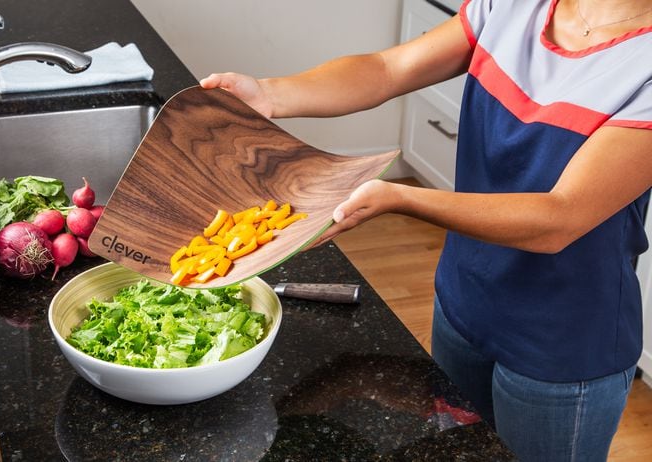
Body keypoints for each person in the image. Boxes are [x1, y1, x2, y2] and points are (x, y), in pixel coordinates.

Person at [200, 0, 652, 460]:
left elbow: (560, 218)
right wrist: (270, 94)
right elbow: (386, 68)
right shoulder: (514, 5)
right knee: (458, 449)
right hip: (462, 303)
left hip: (563, 341)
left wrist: (400, 198)